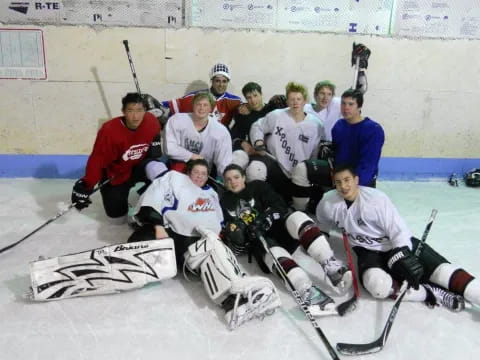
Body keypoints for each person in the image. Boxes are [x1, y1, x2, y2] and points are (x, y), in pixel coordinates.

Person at [128, 159, 281, 329]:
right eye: (196, 172)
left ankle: (233, 304)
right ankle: (238, 286)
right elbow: (153, 197)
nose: (200, 176)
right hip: (171, 237)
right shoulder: (174, 179)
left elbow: (220, 223)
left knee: (209, 257)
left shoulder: (212, 194)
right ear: (188, 172)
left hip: (195, 247)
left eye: (204, 173)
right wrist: (157, 225)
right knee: (146, 240)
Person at [316, 164, 480, 311]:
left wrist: (402, 254)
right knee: (377, 285)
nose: (343, 186)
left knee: (443, 274)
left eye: (347, 180)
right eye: (338, 182)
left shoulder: (376, 200)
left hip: (395, 245)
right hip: (368, 252)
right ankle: (430, 292)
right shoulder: (329, 202)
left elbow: (399, 231)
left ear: (356, 179)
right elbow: (322, 222)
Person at [220, 164, 352, 315]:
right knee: (272, 251)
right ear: (225, 183)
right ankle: (307, 290)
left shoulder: (258, 186)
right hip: (263, 243)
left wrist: (266, 218)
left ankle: (331, 266)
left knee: (298, 217)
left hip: (282, 230)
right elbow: (235, 242)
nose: (233, 182)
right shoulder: (224, 203)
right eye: (228, 179)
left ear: (244, 177)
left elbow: (280, 205)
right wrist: (239, 235)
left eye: (236, 177)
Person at [71, 92, 166, 224]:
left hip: (139, 166)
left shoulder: (151, 122)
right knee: (117, 220)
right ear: (123, 112)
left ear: (145, 110)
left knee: (160, 171)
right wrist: (87, 185)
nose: (135, 116)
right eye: (130, 110)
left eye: (139, 110)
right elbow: (97, 161)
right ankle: (126, 204)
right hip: (116, 173)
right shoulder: (109, 131)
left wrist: (154, 148)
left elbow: (154, 141)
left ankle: (156, 203)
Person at [246, 82, 323, 204]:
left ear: (305, 101)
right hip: (275, 165)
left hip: (299, 173)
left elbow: (315, 151)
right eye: (291, 99)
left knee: (299, 206)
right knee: (255, 169)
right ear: (287, 101)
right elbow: (257, 126)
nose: (295, 102)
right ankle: (254, 205)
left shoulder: (316, 125)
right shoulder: (276, 115)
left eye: (298, 99)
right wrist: (258, 141)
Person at [163, 92, 232, 176]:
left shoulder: (220, 131)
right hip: (177, 165)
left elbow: (224, 161)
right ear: (193, 106)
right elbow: (169, 149)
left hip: (203, 171)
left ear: (211, 108)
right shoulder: (177, 120)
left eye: (205, 105)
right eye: (198, 104)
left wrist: (226, 177)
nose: (201, 108)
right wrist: (192, 156)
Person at [332, 89, 384, 187]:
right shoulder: (338, 126)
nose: (346, 108)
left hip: (362, 183)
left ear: (359, 106)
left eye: (351, 104)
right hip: (341, 181)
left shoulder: (373, 130)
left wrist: (354, 186)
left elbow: (368, 164)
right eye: (343, 103)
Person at [162, 63, 241, 126]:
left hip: (222, 140)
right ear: (212, 81)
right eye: (217, 81)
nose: (221, 84)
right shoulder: (195, 97)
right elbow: (163, 107)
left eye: (224, 81)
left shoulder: (234, 101)